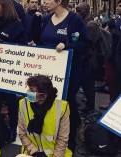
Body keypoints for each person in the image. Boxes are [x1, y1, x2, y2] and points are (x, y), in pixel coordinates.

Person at [34, 0, 92, 152]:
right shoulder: (46, 19)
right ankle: (46, 139)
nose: (44, 2)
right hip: (47, 72)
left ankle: (69, 142)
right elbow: (39, 41)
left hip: (68, 73)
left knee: (67, 106)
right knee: (46, 104)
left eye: (47, 0)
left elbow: (86, 43)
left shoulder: (75, 20)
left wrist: (68, 46)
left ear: (59, 1)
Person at [0, 0, 27, 143]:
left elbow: (22, 46)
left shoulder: (16, 24)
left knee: (10, 100)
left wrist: (7, 44)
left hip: (8, 69)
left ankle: (12, 129)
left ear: (4, 8)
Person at [18, 75, 72, 157]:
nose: (28, 92)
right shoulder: (23, 103)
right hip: (31, 152)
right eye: (29, 89)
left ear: (43, 96)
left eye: (32, 91)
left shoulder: (62, 107)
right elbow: (22, 134)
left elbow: (62, 140)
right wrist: (33, 151)